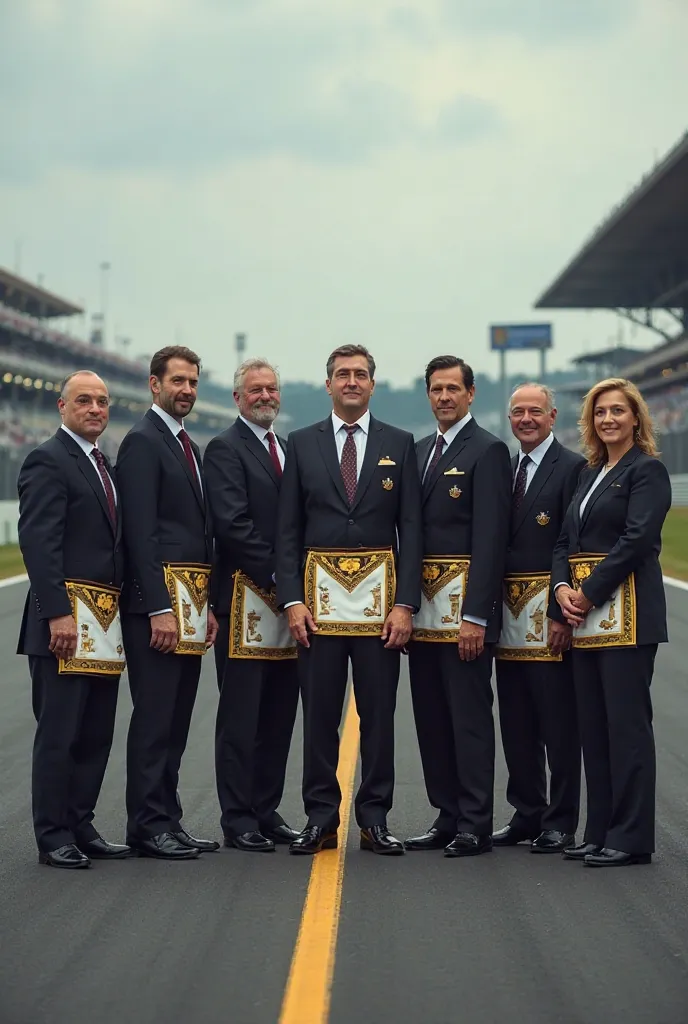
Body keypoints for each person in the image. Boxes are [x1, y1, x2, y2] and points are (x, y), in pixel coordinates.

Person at [276, 344, 423, 855]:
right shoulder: (300, 442)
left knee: (379, 716)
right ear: (329, 384)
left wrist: (405, 604)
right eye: (343, 374)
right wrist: (292, 600)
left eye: (361, 374)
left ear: (373, 384)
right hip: (317, 611)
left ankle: (374, 818)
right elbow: (287, 531)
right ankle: (320, 818)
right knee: (318, 716)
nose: (352, 382)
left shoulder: (401, 444)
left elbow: (413, 532)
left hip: (381, 610)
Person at [552, 377, 671, 867]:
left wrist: (588, 592)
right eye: (600, 412)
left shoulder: (648, 472)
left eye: (618, 411)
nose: (608, 420)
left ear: (636, 418)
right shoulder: (589, 474)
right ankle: (599, 829)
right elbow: (563, 543)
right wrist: (562, 591)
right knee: (593, 727)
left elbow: (638, 538)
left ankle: (631, 836)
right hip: (585, 619)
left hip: (628, 615)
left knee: (626, 728)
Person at [17, 370, 129, 868]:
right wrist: (58, 615)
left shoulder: (105, 464)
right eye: (83, 400)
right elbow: (39, 545)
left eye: (102, 402)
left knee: (95, 733)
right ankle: (53, 834)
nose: (95, 409)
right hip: (64, 625)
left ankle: (81, 823)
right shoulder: (48, 460)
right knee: (59, 734)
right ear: (62, 407)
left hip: (104, 623)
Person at [405, 355, 511, 857]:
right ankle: (445, 814)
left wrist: (476, 616)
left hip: (463, 616)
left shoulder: (488, 450)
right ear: (427, 395)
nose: (444, 397)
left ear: (470, 394)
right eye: (436, 389)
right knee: (431, 717)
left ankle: (474, 822)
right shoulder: (420, 450)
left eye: (453, 389)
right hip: (422, 614)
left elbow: (491, 538)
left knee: (468, 718)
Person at [117, 346, 219, 860]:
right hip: (157, 609)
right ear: (154, 385)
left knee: (176, 719)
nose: (186, 390)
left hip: (189, 605)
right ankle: (146, 823)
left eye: (192, 382)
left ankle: (169, 819)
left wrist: (207, 608)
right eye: (177, 381)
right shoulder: (142, 442)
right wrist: (159, 607)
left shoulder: (186, 445)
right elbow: (139, 533)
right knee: (155, 718)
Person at [204, 358, 300, 852]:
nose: (265, 396)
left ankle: (266, 808)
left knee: (279, 715)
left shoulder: (285, 448)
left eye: (271, 389)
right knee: (241, 718)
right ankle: (238, 816)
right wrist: (288, 584)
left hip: (288, 606)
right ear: (238, 398)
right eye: (255, 390)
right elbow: (232, 525)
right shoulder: (225, 448)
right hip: (245, 597)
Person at [492, 383, 585, 854]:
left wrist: (559, 613)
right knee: (517, 722)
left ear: (552, 416)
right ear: (509, 419)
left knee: (557, 724)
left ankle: (560, 820)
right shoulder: (505, 471)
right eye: (517, 412)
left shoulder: (572, 468)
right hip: (507, 617)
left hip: (548, 614)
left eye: (535, 411)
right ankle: (526, 811)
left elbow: (571, 543)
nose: (525, 419)